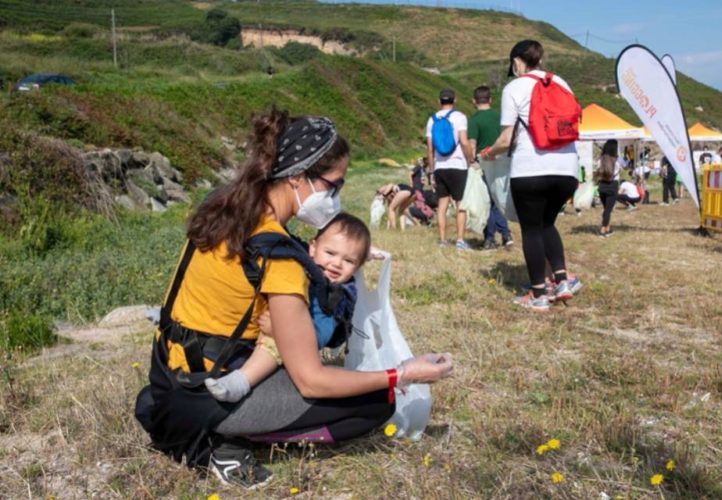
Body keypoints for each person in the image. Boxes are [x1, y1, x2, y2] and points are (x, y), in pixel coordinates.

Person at [136, 108, 454, 489]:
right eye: (333, 184)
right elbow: (311, 381)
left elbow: (262, 259)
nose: (335, 195)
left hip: (168, 379)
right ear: (298, 177)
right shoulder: (280, 259)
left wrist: (338, 253)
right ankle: (223, 443)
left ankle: (197, 422)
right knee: (376, 403)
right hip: (205, 395)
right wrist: (403, 373)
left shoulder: (224, 206)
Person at [203, 213, 370, 403]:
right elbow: (288, 241)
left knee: (271, 346)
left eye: (349, 261)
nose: (337, 263)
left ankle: (242, 381)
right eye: (330, 253)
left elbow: (319, 338)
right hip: (261, 327)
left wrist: (279, 331)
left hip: (292, 344)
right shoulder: (306, 264)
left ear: (357, 267)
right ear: (312, 247)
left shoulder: (332, 296)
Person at [480, 39, 578, 313]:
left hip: (531, 170)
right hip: (566, 171)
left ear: (516, 62)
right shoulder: (561, 83)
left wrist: (489, 153)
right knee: (548, 224)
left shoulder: (515, 87)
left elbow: (506, 138)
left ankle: (538, 294)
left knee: (532, 229)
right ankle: (561, 282)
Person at [426, 88, 473, 250]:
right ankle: (460, 240)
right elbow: (464, 142)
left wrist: (432, 170)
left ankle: (442, 240)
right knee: (461, 204)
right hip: (458, 165)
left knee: (442, 204)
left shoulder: (431, 120)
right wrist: (470, 159)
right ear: (455, 100)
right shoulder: (459, 117)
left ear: (439, 101)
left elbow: (430, 149)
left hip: (440, 167)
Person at [467, 85, 513, 250]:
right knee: (499, 199)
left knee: (487, 201)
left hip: (484, 161)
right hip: (502, 160)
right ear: (490, 100)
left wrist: (471, 162)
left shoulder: (474, 120)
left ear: (474, 101)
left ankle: (490, 238)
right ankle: (506, 235)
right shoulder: (500, 117)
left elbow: (472, 145)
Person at [593, 139, 620, 237]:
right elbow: (625, 166)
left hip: (602, 185)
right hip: (612, 185)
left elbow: (598, 171)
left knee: (606, 209)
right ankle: (603, 230)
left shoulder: (601, 159)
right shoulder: (616, 160)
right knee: (608, 210)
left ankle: (607, 227)